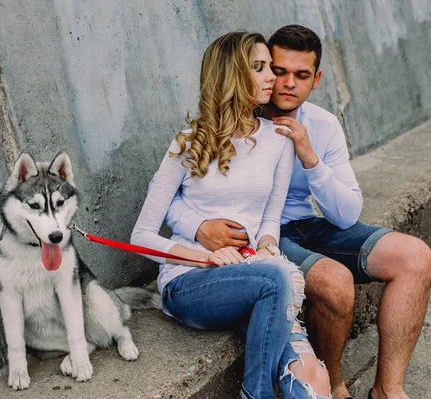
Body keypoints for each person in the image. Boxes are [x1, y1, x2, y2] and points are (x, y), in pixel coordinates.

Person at [166, 25, 431, 399]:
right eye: (278, 70)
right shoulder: (237, 116)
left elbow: (346, 213)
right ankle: (335, 386)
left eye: (301, 75)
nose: (286, 83)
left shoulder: (322, 125)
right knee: (335, 283)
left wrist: (310, 158)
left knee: (416, 256)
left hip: (309, 224)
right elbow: (180, 195)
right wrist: (198, 226)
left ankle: (389, 390)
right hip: (259, 237)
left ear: (316, 79)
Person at [131, 31, 331, 399]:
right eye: (259, 68)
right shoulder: (188, 142)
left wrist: (268, 246)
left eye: (269, 66)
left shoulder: (279, 139)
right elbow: (141, 236)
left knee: (314, 382)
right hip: (190, 282)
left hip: (255, 277)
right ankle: (255, 394)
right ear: (231, 75)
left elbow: (269, 220)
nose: (272, 76)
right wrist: (206, 255)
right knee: (280, 277)